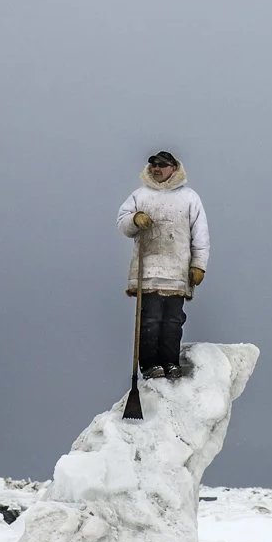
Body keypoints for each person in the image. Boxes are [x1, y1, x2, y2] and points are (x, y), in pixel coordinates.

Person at [117, 150, 209, 379]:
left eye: (162, 165)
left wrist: (198, 265)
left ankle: (170, 363)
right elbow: (122, 222)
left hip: (177, 272)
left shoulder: (189, 198)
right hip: (148, 271)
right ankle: (149, 365)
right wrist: (134, 219)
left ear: (174, 168)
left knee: (173, 321)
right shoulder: (140, 195)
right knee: (150, 319)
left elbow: (201, 235)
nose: (157, 169)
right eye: (154, 165)